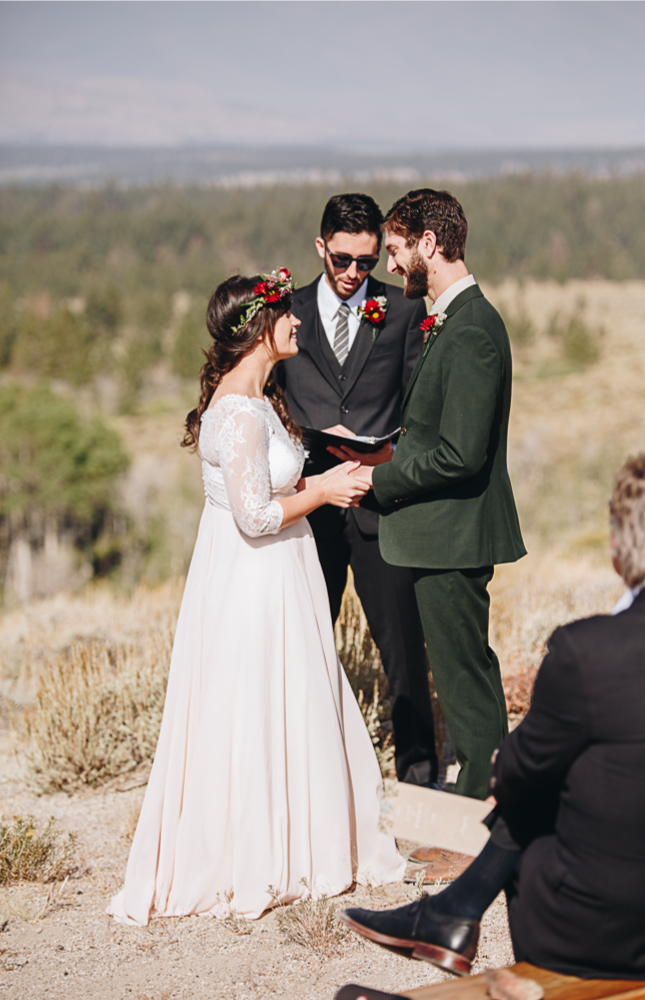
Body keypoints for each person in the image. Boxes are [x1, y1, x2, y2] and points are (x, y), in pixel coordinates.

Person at [108, 269, 405, 925]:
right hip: (258, 579)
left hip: (273, 573)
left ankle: (300, 838)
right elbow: (255, 516)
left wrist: (325, 478)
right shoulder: (239, 414)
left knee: (283, 699)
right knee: (261, 702)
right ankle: (267, 851)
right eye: (288, 314)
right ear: (259, 330)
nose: (299, 319)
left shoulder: (254, 400)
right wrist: (325, 492)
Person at [341, 453, 645, 982]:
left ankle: (454, 911)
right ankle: (453, 911)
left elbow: (515, 774)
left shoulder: (587, 651)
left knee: (542, 775)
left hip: (613, 936)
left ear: (618, 552)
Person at [346, 188, 526, 799]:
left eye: (395, 250)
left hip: (453, 535)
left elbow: (461, 453)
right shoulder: (452, 319)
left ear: (430, 243)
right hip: (438, 535)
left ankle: (481, 816)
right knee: (459, 676)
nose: (389, 265)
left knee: (463, 679)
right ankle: (484, 803)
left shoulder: (472, 329)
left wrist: (379, 480)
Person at [274, 192, 439, 789]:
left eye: (365, 263)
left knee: (403, 651)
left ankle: (420, 782)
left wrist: (388, 463)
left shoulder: (401, 314)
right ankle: (305, 778)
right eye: (341, 260)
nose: (352, 274)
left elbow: (420, 406)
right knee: (300, 642)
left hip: (379, 507)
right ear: (321, 247)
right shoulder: (285, 313)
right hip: (309, 508)